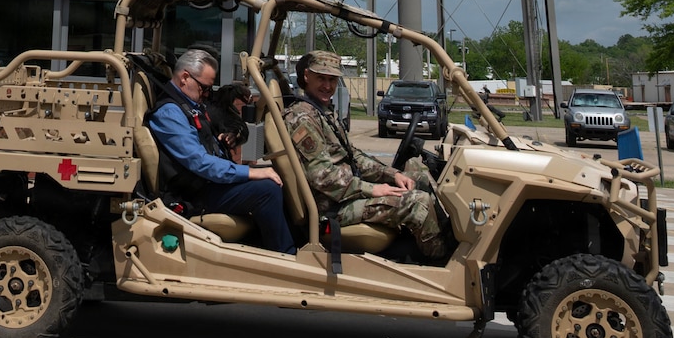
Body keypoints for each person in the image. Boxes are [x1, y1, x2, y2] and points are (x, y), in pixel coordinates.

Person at [283, 50, 451, 262]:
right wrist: (373, 189)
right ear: (306, 76)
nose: (327, 86)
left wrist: (391, 174)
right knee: (419, 203)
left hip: (346, 194)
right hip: (332, 208)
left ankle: (446, 237)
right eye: (321, 78)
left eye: (332, 79)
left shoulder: (321, 112)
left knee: (417, 175)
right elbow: (323, 177)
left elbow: (353, 156)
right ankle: (440, 262)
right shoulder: (301, 118)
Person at [147, 49, 296, 254]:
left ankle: (279, 245)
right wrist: (250, 172)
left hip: (208, 184)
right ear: (184, 78)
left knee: (280, 180)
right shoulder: (169, 113)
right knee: (267, 190)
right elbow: (199, 162)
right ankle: (286, 257)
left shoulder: (193, 105)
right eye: (205, 88)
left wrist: (234, 134)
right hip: (195, 194)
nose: (207, 94)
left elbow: (229, 122)